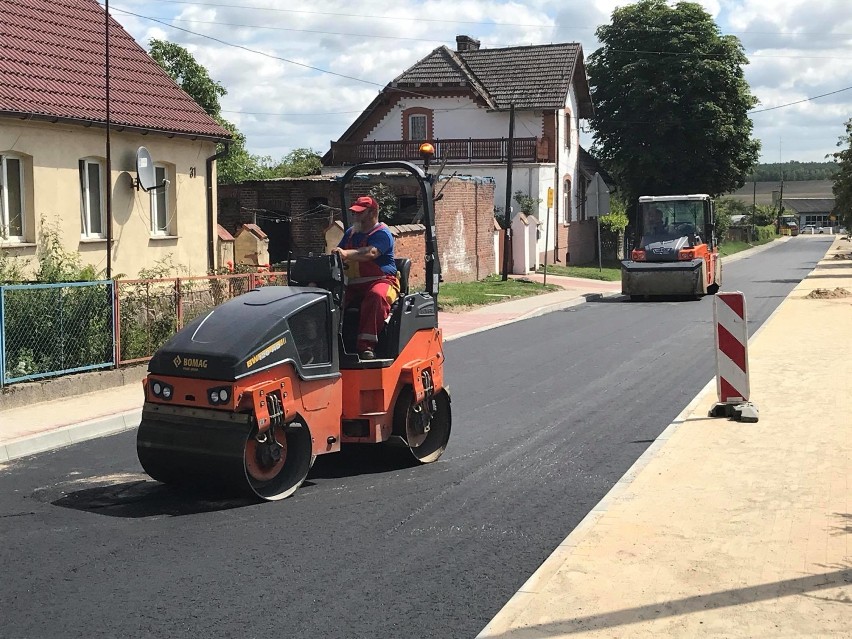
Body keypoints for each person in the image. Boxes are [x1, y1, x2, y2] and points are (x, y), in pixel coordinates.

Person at [331, 195, 400, 360]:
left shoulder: (383, 233)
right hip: (353, 284)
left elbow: (371, 252)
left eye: (359, 213)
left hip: (382, 280)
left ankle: (366, 347)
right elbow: (338, 253)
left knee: (376, 296)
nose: (355, 216)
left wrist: (346, 253)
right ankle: (331, 344)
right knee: (330, 299)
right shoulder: (350, 233)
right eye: (354, 213)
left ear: (372, 213)